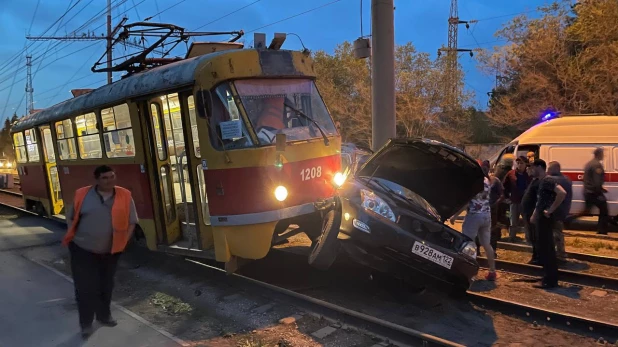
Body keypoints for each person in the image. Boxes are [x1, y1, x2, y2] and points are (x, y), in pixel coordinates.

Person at [62, 165, 139, 338]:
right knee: (85, 288)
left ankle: (104, 316)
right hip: (82, 250)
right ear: (96, 180)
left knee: (106, 285)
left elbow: (132, 221)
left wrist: (124, 241)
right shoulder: (82, 194)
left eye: (112, 176)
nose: (110, 180)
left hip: (111, 251)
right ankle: (86, 324)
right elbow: (71, 216)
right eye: (105, 178)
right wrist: (74, 237)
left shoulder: (125, 195)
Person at [451, 172, 497, 281]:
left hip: (474, 216)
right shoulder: (487, 181)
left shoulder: (474, 183)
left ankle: (468, 273)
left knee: (468, 245)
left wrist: (454, 216)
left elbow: (467, 203)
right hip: (486, 215)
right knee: (486, 244)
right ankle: (492, 271)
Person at [530, 159, 567, 289]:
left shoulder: (547, 180)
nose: (531, 170)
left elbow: (562, 193)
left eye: (532, 167)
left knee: (547, 249)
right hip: (541, 218)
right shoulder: (542, 181)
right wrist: (535, 214)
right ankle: (548, 277)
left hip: (545, 219)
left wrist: (550, 210)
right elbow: (540, 201)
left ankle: (550, 280)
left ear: (539, 167)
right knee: (544, 248)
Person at [568, 148, 609, 235]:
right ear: (599, 154)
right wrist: (601, 189)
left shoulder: (589, 164)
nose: (603, 156)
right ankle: (602, 230)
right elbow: (596, 181)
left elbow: (586, 179)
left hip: (588, 191)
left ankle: (568, 219)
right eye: (602, 154)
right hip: (594, 192)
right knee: (604, 209)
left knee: (586, 211)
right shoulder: (596, 165)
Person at [547, 161, 572, 264]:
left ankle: (559, 255)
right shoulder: (567, 179)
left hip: (555, 210)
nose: (547, 170)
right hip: (564, 210)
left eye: (549, 168)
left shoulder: (552, 180)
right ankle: (561, 253)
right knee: (559, 232)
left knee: (555, 233)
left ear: (554, 169)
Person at [503, 156, 532, 242]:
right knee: (513, 222)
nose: (519, 165)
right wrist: (507, 197)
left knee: (527, 222)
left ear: (525, 164)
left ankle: (528, 238)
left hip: (526, 202)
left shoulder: (529, 174)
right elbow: (504, 186)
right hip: (515, 201)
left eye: (521, 163)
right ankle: (512, 238)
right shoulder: (511, 174)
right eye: (518, 163)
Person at [521, 163, 542, 265]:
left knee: (534, 236)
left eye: (530, 168)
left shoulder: (538, 182)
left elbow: (538, 199)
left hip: (532, 214)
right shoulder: (533, 181)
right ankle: (536, 256)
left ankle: (537, 257)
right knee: (532, 236)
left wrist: (534, 213)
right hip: (528, 213)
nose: (528, 170)